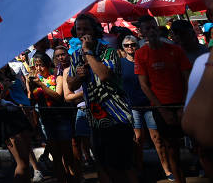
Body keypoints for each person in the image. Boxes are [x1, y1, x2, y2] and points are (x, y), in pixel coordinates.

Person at [66, 13, 137, 183]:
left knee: (124, 166)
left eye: (86, 29)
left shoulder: (109, 52)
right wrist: (78, 77)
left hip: (117, 118)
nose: (82, 33)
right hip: (95, 120)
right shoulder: (75, 55)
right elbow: (71, 84)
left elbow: (104, 75)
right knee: (104, 166)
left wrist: (89, 53)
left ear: (96, 30)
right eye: (79, 29)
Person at [135, 15, 192, 183]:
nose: (151, 31)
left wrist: (184, 106)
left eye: (153, 27)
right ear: (142, 33)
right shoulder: (140, 54)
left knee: (198, 145)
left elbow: (187, 78)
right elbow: (144, 86)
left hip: (182, 103)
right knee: (171, 149)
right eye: (147, 28)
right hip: (161, 107)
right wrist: (162, 110)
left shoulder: (175, 50)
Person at [119, 35, 170, 177]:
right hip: (132, 106)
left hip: (149, 104)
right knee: (138, 139)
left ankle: (166, 169)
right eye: (126, 45)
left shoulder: (144, 60)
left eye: (132, 44)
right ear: (123, 48)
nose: (130, 47)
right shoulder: (121, 63)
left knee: (157, 138)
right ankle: (139, 168)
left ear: (137, 45)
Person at [27, 52, 76, 183]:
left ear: (48, 65)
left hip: (61, 118)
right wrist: (30, 87)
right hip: (46, 120)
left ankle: (73, 178)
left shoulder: (57, 78)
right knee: (56, 155)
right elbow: (31, 100)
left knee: (67, 153)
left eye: (41, 65)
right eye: (36, 66)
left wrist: (41, 86)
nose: (38, 69)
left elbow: (58, 96)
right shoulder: (33, 80)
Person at [0, 65, 37, 182]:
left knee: (25, 160)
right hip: (8, 122)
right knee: (21, 163)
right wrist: (5, 89)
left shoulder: (8, 74)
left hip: (19, 116)